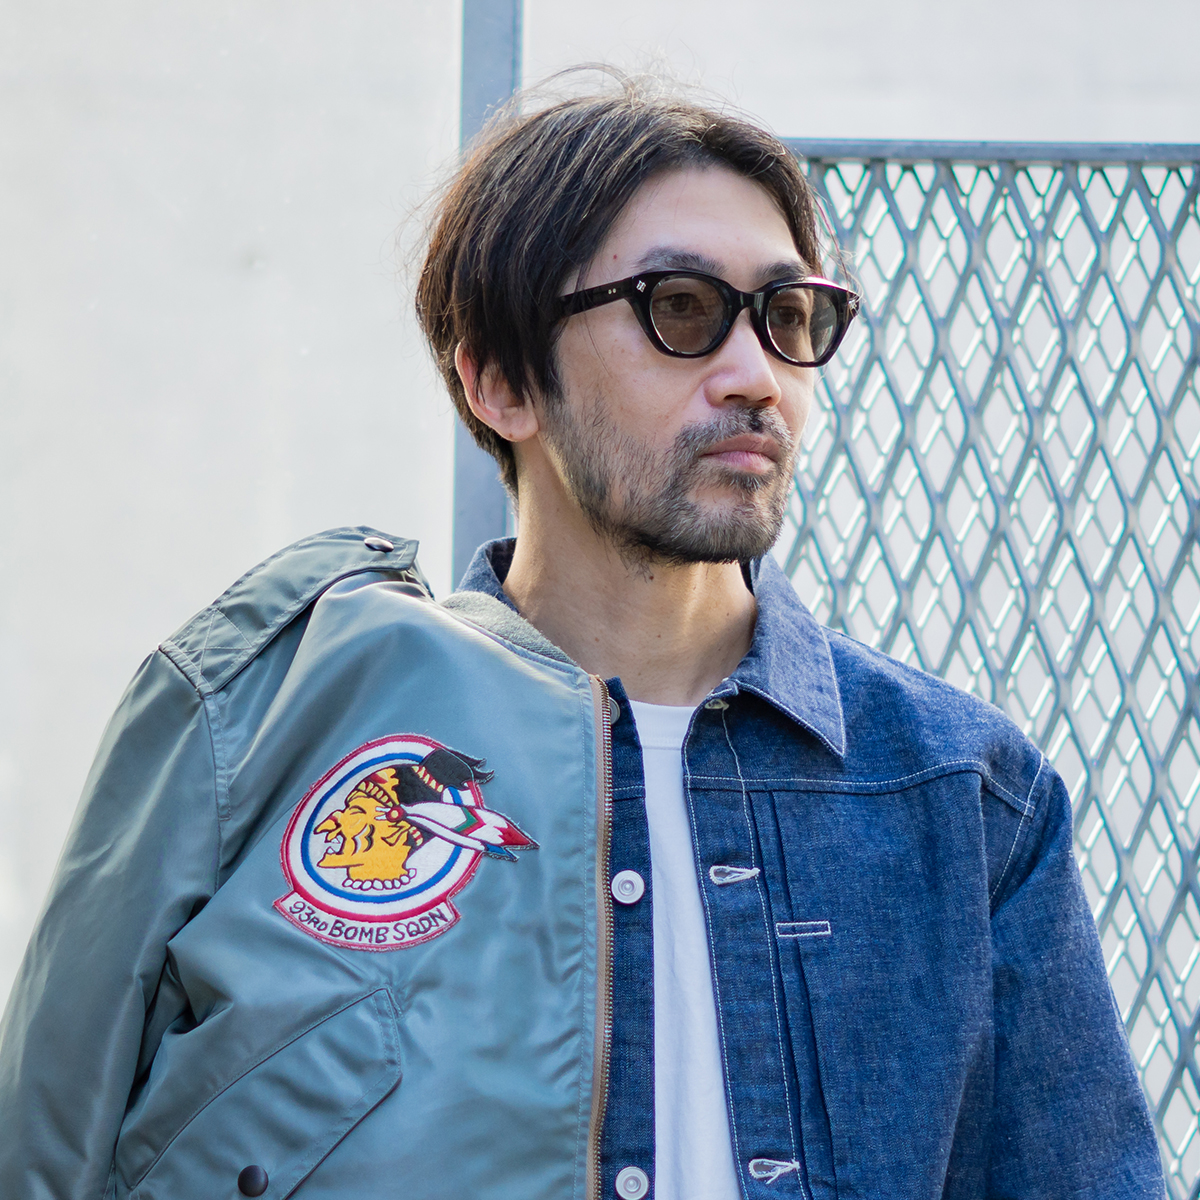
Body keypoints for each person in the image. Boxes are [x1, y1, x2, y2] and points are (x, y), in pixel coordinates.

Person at [0, 77, 1164, 1200]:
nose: (756, 377)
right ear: (502, 383)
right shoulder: (269, 735)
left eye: (788, 317)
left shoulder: (963, 794)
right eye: (682, 309)